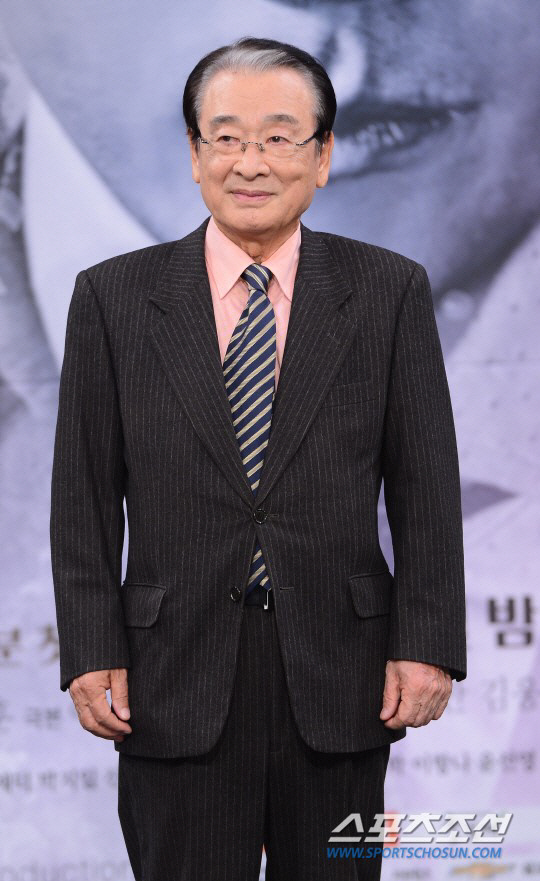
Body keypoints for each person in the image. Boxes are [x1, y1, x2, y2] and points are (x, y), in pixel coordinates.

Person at [50, 37, 466, 881]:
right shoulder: (113, 296)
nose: (251, 162)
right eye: (227, 137)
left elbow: (425, 487)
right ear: (195, 154)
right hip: (171, 675)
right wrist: (91, 647)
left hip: (342, 673)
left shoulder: (387, 290)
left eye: (279, 137)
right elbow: (82, 497)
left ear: (323, 156)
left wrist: (427, 641)